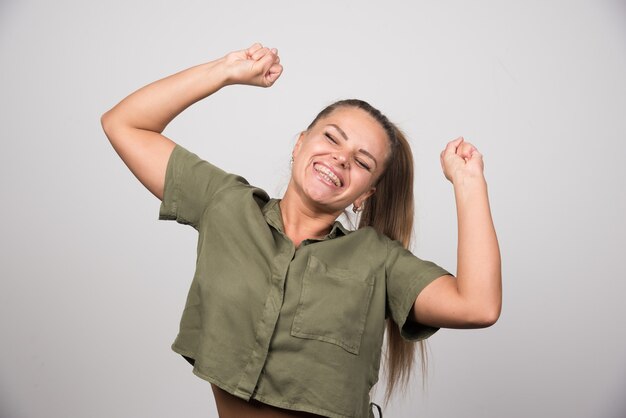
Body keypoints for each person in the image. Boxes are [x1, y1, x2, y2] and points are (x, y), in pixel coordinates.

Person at [101, 43, 501, 418]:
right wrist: (223, 71)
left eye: (361, 162)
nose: (340, 159)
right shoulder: (225, 205)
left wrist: (469, 183)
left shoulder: (379, 260)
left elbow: (478, 306)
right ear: (300, 144)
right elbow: (125, 124)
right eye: (331, 138)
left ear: (365, 195)